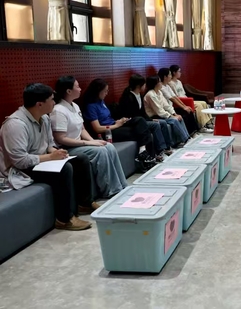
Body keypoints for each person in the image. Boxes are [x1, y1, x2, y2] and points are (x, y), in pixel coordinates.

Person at [0, 84, 93, 231]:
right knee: (64, 170)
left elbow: (49, 144)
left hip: (40, 161)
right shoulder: (15, 124)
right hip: (19, 170)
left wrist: (57, 153)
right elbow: (20, 161)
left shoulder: (44, 118)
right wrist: (50, 157)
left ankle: (85, 204)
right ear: (39, 104)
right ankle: (64, 219)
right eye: (51, 100)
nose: (54, 103)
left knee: (81, 159)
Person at [51, 76, 128, 200]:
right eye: (77, 86)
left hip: (81, 143)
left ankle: (122, 185)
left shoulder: (75, 106)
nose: (80, 89)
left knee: (108, 146)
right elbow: (61, 139)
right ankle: (111, 190)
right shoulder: (58, 111)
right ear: (69, 91)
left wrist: (93, 141)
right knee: (100, 152)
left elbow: (82, 129)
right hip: (68, 147)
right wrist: (87, 143)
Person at [81, 78, 157, 170]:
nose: (107, 93)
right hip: (108, 132)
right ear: (98, 91)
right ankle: (147, 157)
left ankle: (143, 152)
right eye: (105, 91)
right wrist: (117, 125)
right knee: (144, 132)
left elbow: (107, 118)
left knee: (140, 120)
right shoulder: (91, 106)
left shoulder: (101, 102)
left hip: (114, 124)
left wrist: (118, 121)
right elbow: (97, 128)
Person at [119, 74, 174, 156]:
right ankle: (160, 150)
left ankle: (167, 146)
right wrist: (147, 120)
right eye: (144, 84)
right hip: (133, 122)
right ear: (139, 86)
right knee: (155, 125)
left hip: (142, 120)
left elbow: (143, 112)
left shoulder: (139, 95)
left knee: (162, 122)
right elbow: (131, 115)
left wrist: (151, 119)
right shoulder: (128, 97)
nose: (145, 86)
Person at [143, 75, 190, 146]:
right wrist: (171, 116)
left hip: (162, 114)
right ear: (155, 84)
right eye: (159, 82)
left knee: (179, 117)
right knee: (174, 120)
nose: (161, 83)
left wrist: (174, 113)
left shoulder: (159, 92)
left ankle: (187, 137)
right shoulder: (150, 95)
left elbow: (166, 105)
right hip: (154, 116)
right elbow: (159, 111)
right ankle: (183, 139)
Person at [169, 65, 214, 131]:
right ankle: (202, 126)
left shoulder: (179, 82)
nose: (180, 73)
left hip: (186, 99)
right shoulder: (171, 83)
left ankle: (208, 122)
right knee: (199, 105)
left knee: (203, 103)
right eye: (179, 71)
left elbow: (184, 93)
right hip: (181, 101)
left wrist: (188, 100)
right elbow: (176, 96)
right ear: (174, 72)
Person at [157, 68, 201, 135]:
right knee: (185, 113)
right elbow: (172, 99)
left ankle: (194, 132)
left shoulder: (167, 86)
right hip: (168, 110)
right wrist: (183, 107)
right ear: (165, 77)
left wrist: (185, 106)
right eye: (169, 75)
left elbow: (175, 97)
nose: (171, 76)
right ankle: (189, 133)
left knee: (189, 111)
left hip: (171, 108)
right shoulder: (162, 88)